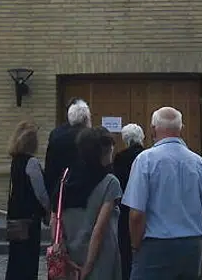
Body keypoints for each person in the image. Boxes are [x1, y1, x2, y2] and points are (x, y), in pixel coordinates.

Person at [121, 106, 202, 280]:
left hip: (156, 245)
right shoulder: (200, 164)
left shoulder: (145, 160)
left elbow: (136, 215)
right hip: (191, 246)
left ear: (153, 129)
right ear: (181, 129)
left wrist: (135, 246)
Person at [63, 126, 124, 280]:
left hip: (70, 254)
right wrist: (88, 265)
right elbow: (99, 229)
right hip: (100, 255)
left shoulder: (66, 178)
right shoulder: (110, 182)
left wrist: (64, 255)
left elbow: (55, 220)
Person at [6, 120, 50, 280]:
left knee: (16, 258)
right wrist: (48, 210)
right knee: (28, 259)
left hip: (15, 216)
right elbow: (40, 192)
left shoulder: (15, 161)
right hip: (29, 219)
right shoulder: (31, 163)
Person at [114, 123, 146, 280]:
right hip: (145, 208)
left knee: (125, 251)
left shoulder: (120, 158)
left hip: (125, 209)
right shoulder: (147, 156)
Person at [47, 99, 91, 203]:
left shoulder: (56, 136)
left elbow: (50, 170)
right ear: (86, 118)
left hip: (60, 194)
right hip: (85, 196)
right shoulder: (91, 138)